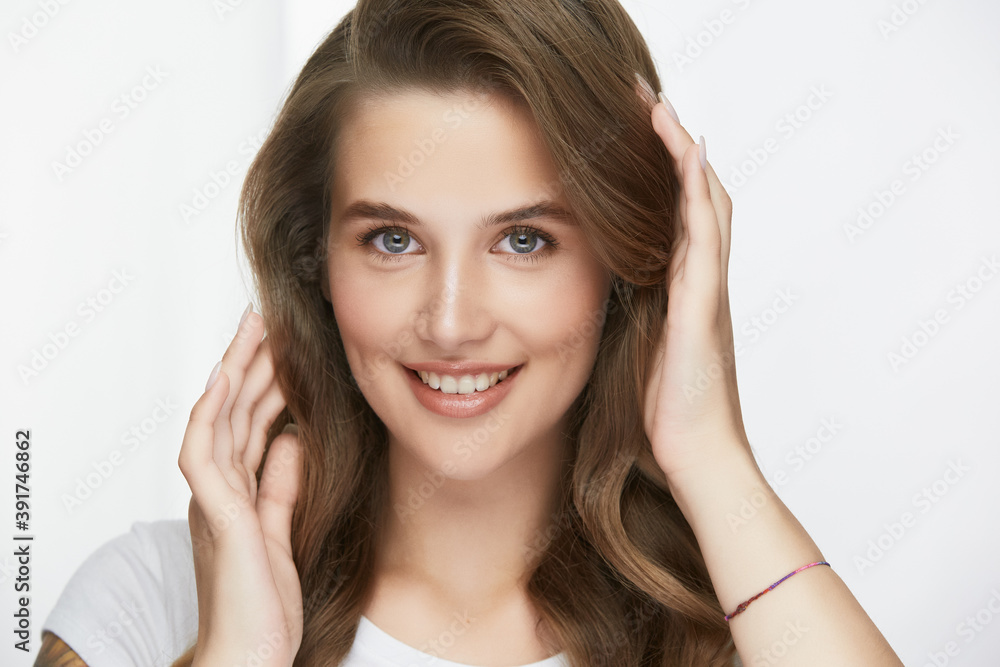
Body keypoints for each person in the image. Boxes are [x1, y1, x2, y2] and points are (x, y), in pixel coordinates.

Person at [39, 0, 906, 665]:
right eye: (393, 239)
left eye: (523, 239)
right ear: (315, 265)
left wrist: (711, 453)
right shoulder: (149, 605)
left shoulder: (751, 622)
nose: (451, 323)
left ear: (631, 263)